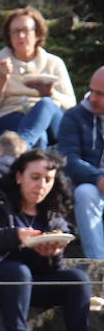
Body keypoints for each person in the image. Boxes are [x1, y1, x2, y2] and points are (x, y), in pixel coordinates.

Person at [0, 149, 89, 331]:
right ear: (19, 176)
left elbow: (55, 269)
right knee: (18, 271)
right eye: (35, 177)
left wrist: (52, 253)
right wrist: (16, 235)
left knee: (78, 279)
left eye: (48, 179)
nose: (41, 185)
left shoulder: (52, 213)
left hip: (32, 285)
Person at [0, 7, 74, 147]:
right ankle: (27, 150)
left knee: (46, 104)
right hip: (9, 118)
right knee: (39, 138)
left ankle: (21, 148)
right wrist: (1, 80)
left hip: (51, 121)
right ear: (8, 36)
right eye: (15, 31)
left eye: (26, 30)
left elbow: (71, 107)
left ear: (38, 33)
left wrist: (51, 94)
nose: (20, 36)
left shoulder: (54, 63)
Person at [56, 66, 104, 258]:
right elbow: (68, 159)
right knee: (85, 192)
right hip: (90, 186)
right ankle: (99, 267)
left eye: (100, 94)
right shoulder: (74, 116)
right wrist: (98, 178)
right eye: (92, 91)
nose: (92, 98)